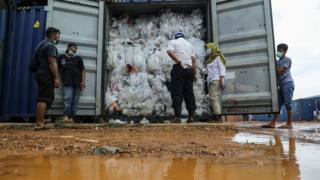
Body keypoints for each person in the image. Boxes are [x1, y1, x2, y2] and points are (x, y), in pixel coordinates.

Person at [262, 43, 295, 129]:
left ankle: (289, 124)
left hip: (287, 83)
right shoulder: (278, 61)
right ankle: (273, 123)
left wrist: (274, 66)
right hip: (281, 85)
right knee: (278, 105)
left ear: (285, 51)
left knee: (288, 104)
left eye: (280, 51)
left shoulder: (288, 60)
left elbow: (280, 71)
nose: (278, 52)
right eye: (278, 50)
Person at [34, 27, 61, 130]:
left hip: (40, 73)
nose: (59, 37)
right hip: (46, 74)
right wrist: (57, 77)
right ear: (54, 34)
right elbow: (52, 62)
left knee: (48, 97)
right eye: (58, 35)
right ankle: (39, 124)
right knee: (43, 99)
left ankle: (41, 119)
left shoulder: (41, 44)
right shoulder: (50, 46)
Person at [167, 32, 197, 123]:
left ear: (176, 37)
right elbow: (194, 60)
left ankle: (177, 117)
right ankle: (191, 116)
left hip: (179, 68)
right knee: (189, 93)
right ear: (184, 37)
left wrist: (179, 62)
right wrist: (194, 72)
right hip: (189, 70)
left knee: (177, 93)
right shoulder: (190, 45)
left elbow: (169, 52)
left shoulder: (173, 42)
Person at [58, 43, 85, 123]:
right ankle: (65, 116)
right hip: (67, 82)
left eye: (76, 48)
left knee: (75, 101)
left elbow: (82, 70)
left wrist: (83, 81)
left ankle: (72, 117)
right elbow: (55, 66)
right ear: (68, 47)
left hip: (77, 83)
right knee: (68, 98)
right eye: (73, 47)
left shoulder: (78, 58)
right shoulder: (61, 57)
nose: (75, 49)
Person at [204, 43, 226, 122]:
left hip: (216, 79)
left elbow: (222, 69)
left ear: (213, 48)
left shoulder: (218, 57)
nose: (207, 50)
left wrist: (222, 80)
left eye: (208, 48)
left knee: (213, 97)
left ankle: (218, 116)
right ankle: (215, 115)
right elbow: (207, 71)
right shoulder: (210, 58)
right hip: (210, 80)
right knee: (212, 97)